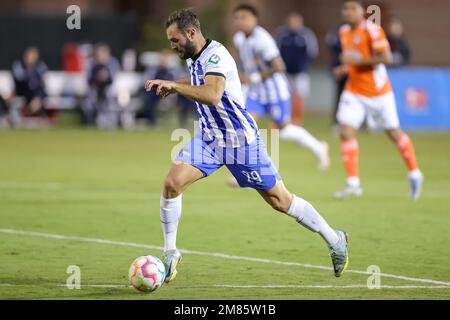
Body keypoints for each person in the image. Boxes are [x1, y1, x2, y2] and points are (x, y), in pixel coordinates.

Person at [145, 8, 349, 283]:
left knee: (280, 200)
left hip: (241, 142)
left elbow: (213, 94)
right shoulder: (194, 57)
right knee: (172, 184)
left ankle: (335, 240)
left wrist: (175, 86)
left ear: (191, 33)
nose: (173, 46)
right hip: (209, 138)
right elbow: (196, 82)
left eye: (175, 40)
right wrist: (173, 84)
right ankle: (170, 253)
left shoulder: (215, 55)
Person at [334, 0, 423, 200]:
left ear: (361, 11)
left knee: (393, 133)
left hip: (378, 92)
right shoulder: (343, 32)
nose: (348, 12)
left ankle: (415, 172)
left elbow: (386, 58)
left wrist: (358, 61)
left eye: (352, 8)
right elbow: (351, 60)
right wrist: (345, 68)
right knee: (345, 130)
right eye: (345, 9)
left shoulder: (373, 30)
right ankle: (353, 183)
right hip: (354, 91)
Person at [232, 4, 330, 171]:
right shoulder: (239, 39)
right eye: (238, 18)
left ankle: (318, 147)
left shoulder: (263, 39)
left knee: (284, 130)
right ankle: (251, 169)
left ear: (255, 19)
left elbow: (279, 66)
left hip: (275, 92)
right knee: (246, 126)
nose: (241, 22)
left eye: (245, 18)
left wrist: (253, 77)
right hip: (256, 92)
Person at [276, 12, 318, 125]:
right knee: (285, 95)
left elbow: (312, 52)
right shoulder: (282, 35)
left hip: (301, 72)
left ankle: (297, 119)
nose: (293, 24)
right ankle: (285, 118)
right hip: (285, 72)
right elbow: (276, 52)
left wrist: (305, 65)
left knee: (300, 95)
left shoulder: (306, 35)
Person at [10, 47, 56, 126]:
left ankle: (41, 117)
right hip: (22, 93)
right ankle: (18, 119)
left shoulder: (40, 66)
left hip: (37, 95)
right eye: (30, 56)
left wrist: (38, 98)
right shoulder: (18, 66)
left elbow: (41, 82)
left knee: (39, 96)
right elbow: (20, 79)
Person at [82, 43, 120, 127]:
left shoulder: (112, 63)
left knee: (109, 98)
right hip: (95, 89)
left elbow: (111, 79)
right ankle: (92, 122)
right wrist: (98, 78)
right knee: (89, 101)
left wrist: (104, 77)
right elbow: (89, 80)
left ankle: (109, 122)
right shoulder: (92, 63)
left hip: (108, 90)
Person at [325, 24, 348, 125]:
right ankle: (337, 120)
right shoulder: (335, 36)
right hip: (340, 71)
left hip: (353, 72)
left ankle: (361, 122)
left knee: (357, 96)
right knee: (339, 96)